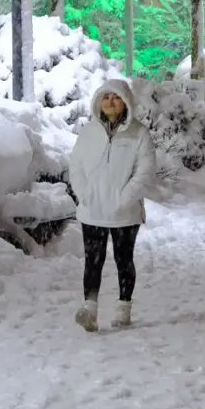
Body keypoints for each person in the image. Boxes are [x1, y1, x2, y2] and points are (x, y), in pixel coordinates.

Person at [68, 78, 156, 332]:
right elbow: (75, 165)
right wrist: (84, 193)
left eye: (115, 97)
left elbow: (145, 171)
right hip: (92, 209)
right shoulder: (88, 132)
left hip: (124, 213)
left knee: (123, 259)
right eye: (105, 97)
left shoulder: (139, 133)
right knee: (92, 261)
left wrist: (125, 198)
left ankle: (123, 307)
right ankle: (90, 309)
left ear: (125, 101)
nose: (110, 102)